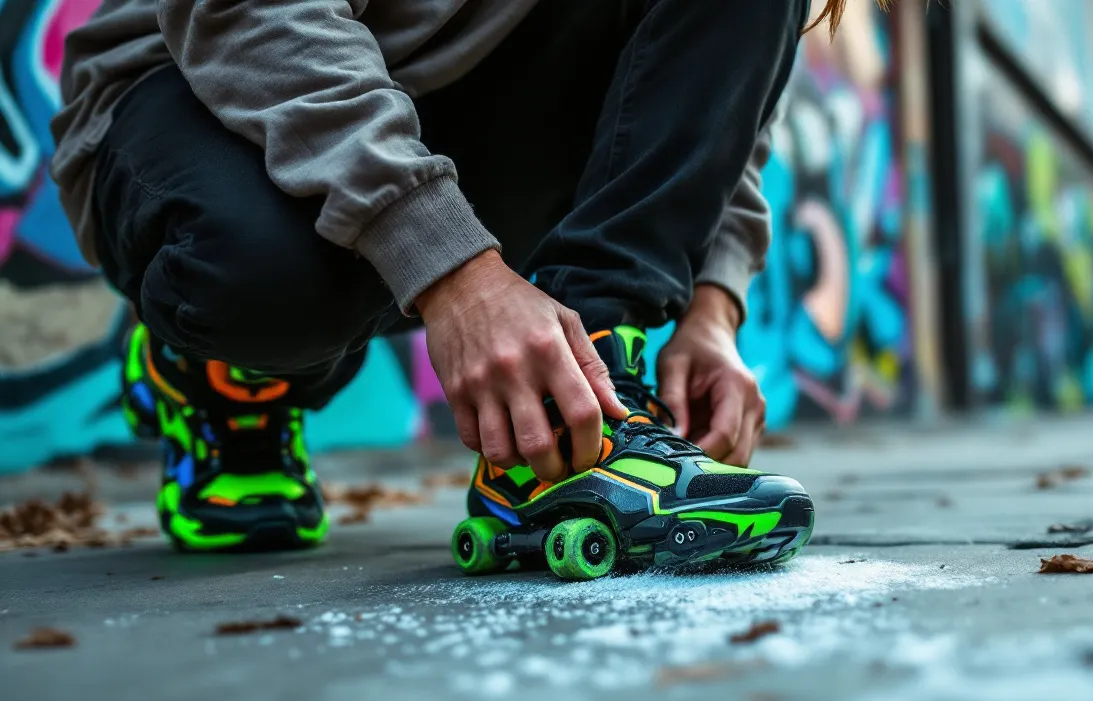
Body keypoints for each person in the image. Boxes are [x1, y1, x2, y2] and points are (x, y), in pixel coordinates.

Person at [50, 0, 839, 563]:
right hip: (193, 84)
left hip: (448, 114)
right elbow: (253, 17)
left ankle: (578, 412)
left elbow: (716, 90)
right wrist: (454, 271)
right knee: (264, 281)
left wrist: (712, 306)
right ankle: (211, 373)